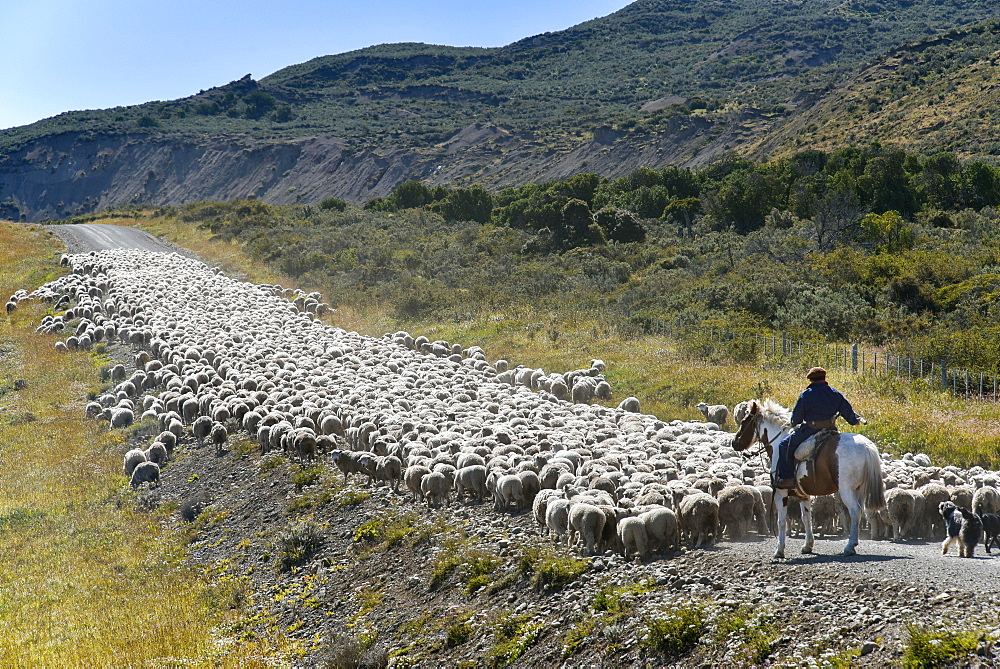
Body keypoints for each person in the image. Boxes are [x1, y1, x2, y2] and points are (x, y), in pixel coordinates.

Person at [773, 367, 865, 489]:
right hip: (831, 430)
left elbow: (796, 420)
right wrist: (854, 421)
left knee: (784, 445)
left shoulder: (806, 395)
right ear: (824, 378)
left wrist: (796, 422)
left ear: (811, 380)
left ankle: (787, 479)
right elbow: (847, 410)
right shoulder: (834, 393)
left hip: (811, 429)